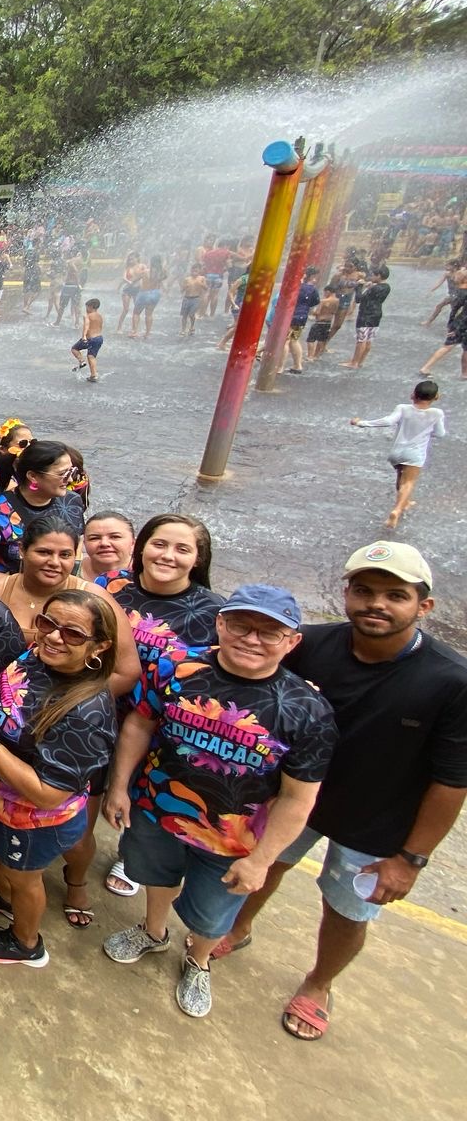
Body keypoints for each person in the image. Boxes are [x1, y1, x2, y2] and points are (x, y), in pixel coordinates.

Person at [217, 543, 467, 1041]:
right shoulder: (308, 644)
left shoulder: (451, 681)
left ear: (425, 606)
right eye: (365, 591)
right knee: (265, 866)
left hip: (377, 822)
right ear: (346, 593)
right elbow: (243, 666)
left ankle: (318, 983)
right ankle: (237, 929)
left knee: (347, 909)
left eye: (396, 595)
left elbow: (452, 781)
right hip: (296, 799)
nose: (377, 604)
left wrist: (411, 858)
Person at [101, 585, 336, 1019]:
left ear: (292, 642)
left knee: (212, 913)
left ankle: (199, 959)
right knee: (155, 874)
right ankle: (153, 931)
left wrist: (263, 860)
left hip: (235, 839)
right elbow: (139, 724)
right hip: (157, 807)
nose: (252, 639)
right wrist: (119, 787)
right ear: (221, 623)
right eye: (242, 625)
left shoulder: (307, 709)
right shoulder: (175, 666)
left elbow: (298, 797)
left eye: (270, 632)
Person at [0, 588, 119, 967]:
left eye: (73, 633)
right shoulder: (37, 655)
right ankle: (4, 893)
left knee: (24, 875)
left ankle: (25, 942)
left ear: (99, 647)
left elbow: (47, 794)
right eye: (48, 623)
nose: (55, 637)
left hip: (35, 815)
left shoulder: (86, 713)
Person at [0, 440, 85, 576]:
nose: (70, 480)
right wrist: (15, 584)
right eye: (63, 474)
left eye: (72, 471)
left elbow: (78, 544)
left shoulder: (72, 502)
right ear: (33, 476)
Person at [350, 379, 447, 528]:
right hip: (415, 453)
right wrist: (427, 432)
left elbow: (388, 421)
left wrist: (361, 423)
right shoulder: (436, 413)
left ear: (413, 395)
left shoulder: (403, 408)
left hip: (396, 452)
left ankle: (405, 502)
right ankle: (397, 510)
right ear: (436, 397)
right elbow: (440, 434)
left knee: (402, 479)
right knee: (409, 482)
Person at [342, 265, 390, 370]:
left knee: (361, 340)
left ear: (379, 276)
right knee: (369, 339)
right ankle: (360, 361)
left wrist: (359, 287)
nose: (371, 277)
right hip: (376, 314)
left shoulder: (374, 288)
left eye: (373, 275)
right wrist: (371, 285)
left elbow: (359, 299)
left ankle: (354, 363)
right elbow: (376, 289)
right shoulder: (386, 287)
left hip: (366, 314)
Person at [83, 511, 136, 581]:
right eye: (95, 538)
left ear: (133, 543)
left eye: (115, 537)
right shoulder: (68, 571)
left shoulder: (148, 573)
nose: (104, 543)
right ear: (84, 543)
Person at [71, 297, 105, 382]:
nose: (86, 309)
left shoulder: (88, 316)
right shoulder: (100, 316)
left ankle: (81, 361)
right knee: (91, 356)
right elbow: (100, 326)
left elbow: (86, 326)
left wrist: (84, 336)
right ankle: (94, 375)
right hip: (99, 338)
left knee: (74, 349)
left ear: (91, 307)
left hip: (90, 339)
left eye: (87, 307)